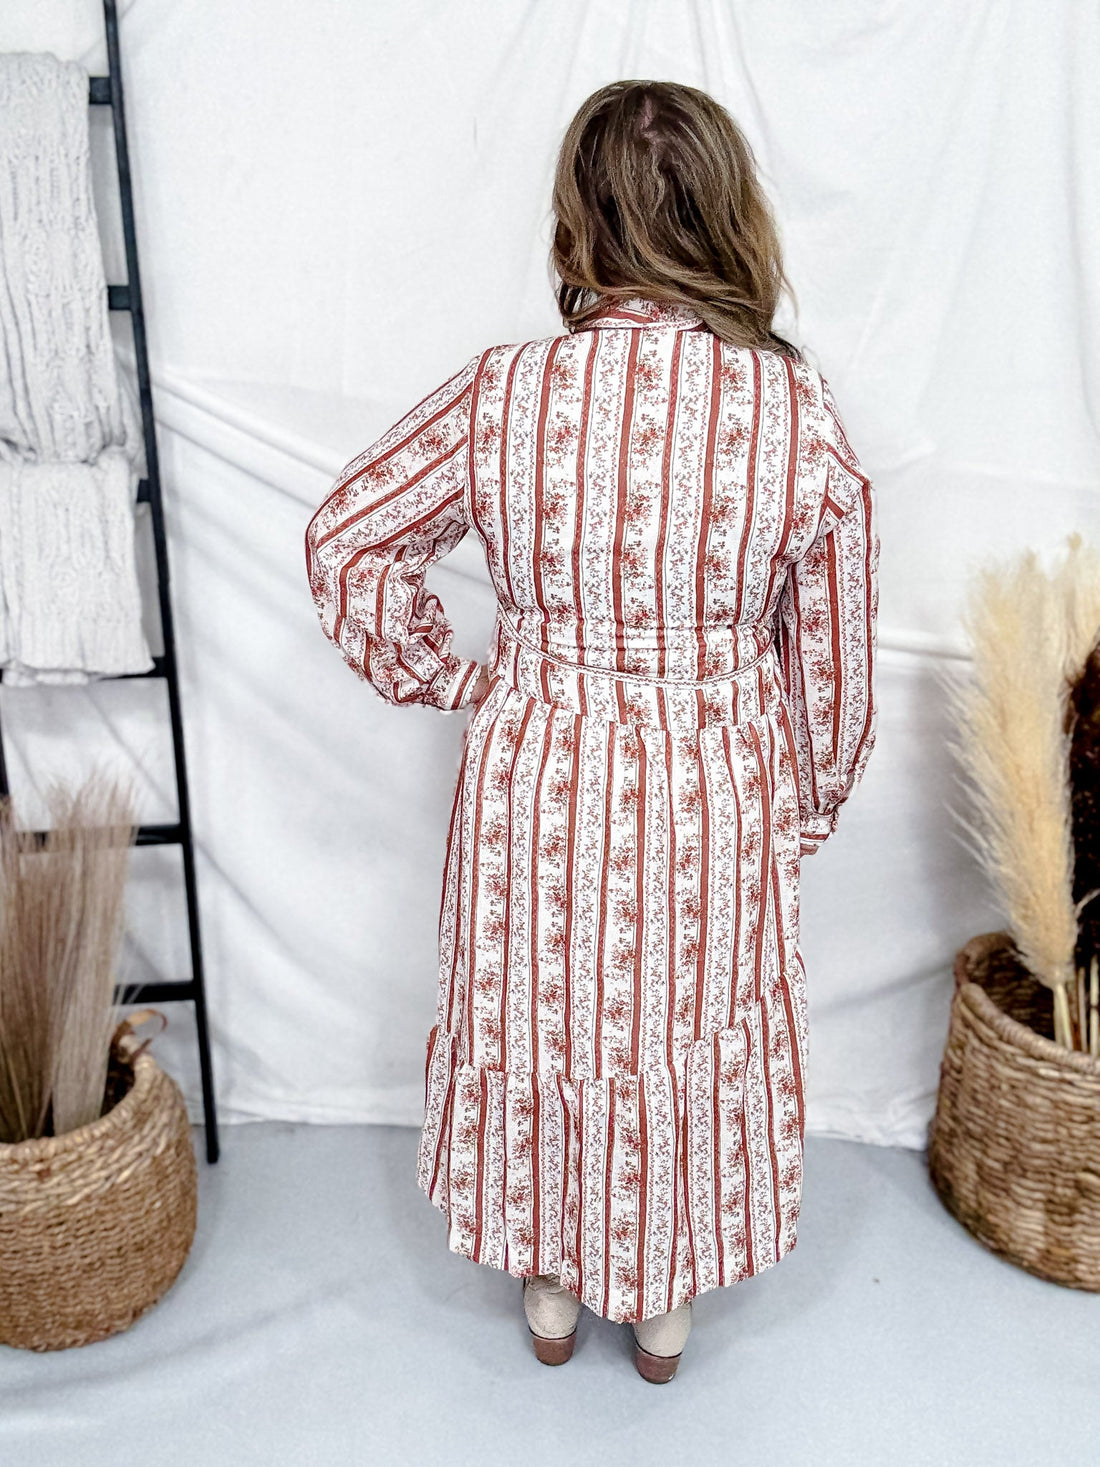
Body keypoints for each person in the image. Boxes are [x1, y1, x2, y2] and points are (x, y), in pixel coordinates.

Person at [305, 79, 878, 1384]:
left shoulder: (504, 395)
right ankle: (663, 1298)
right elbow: (833, 670)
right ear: (730, 213)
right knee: (679, 1022)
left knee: (550, 1013)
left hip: (538, 771)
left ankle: (556, 1283)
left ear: (579, 220)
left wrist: (457, 680)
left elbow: (348, 538)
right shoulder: (795, 418)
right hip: (707, 785)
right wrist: (806, 798)